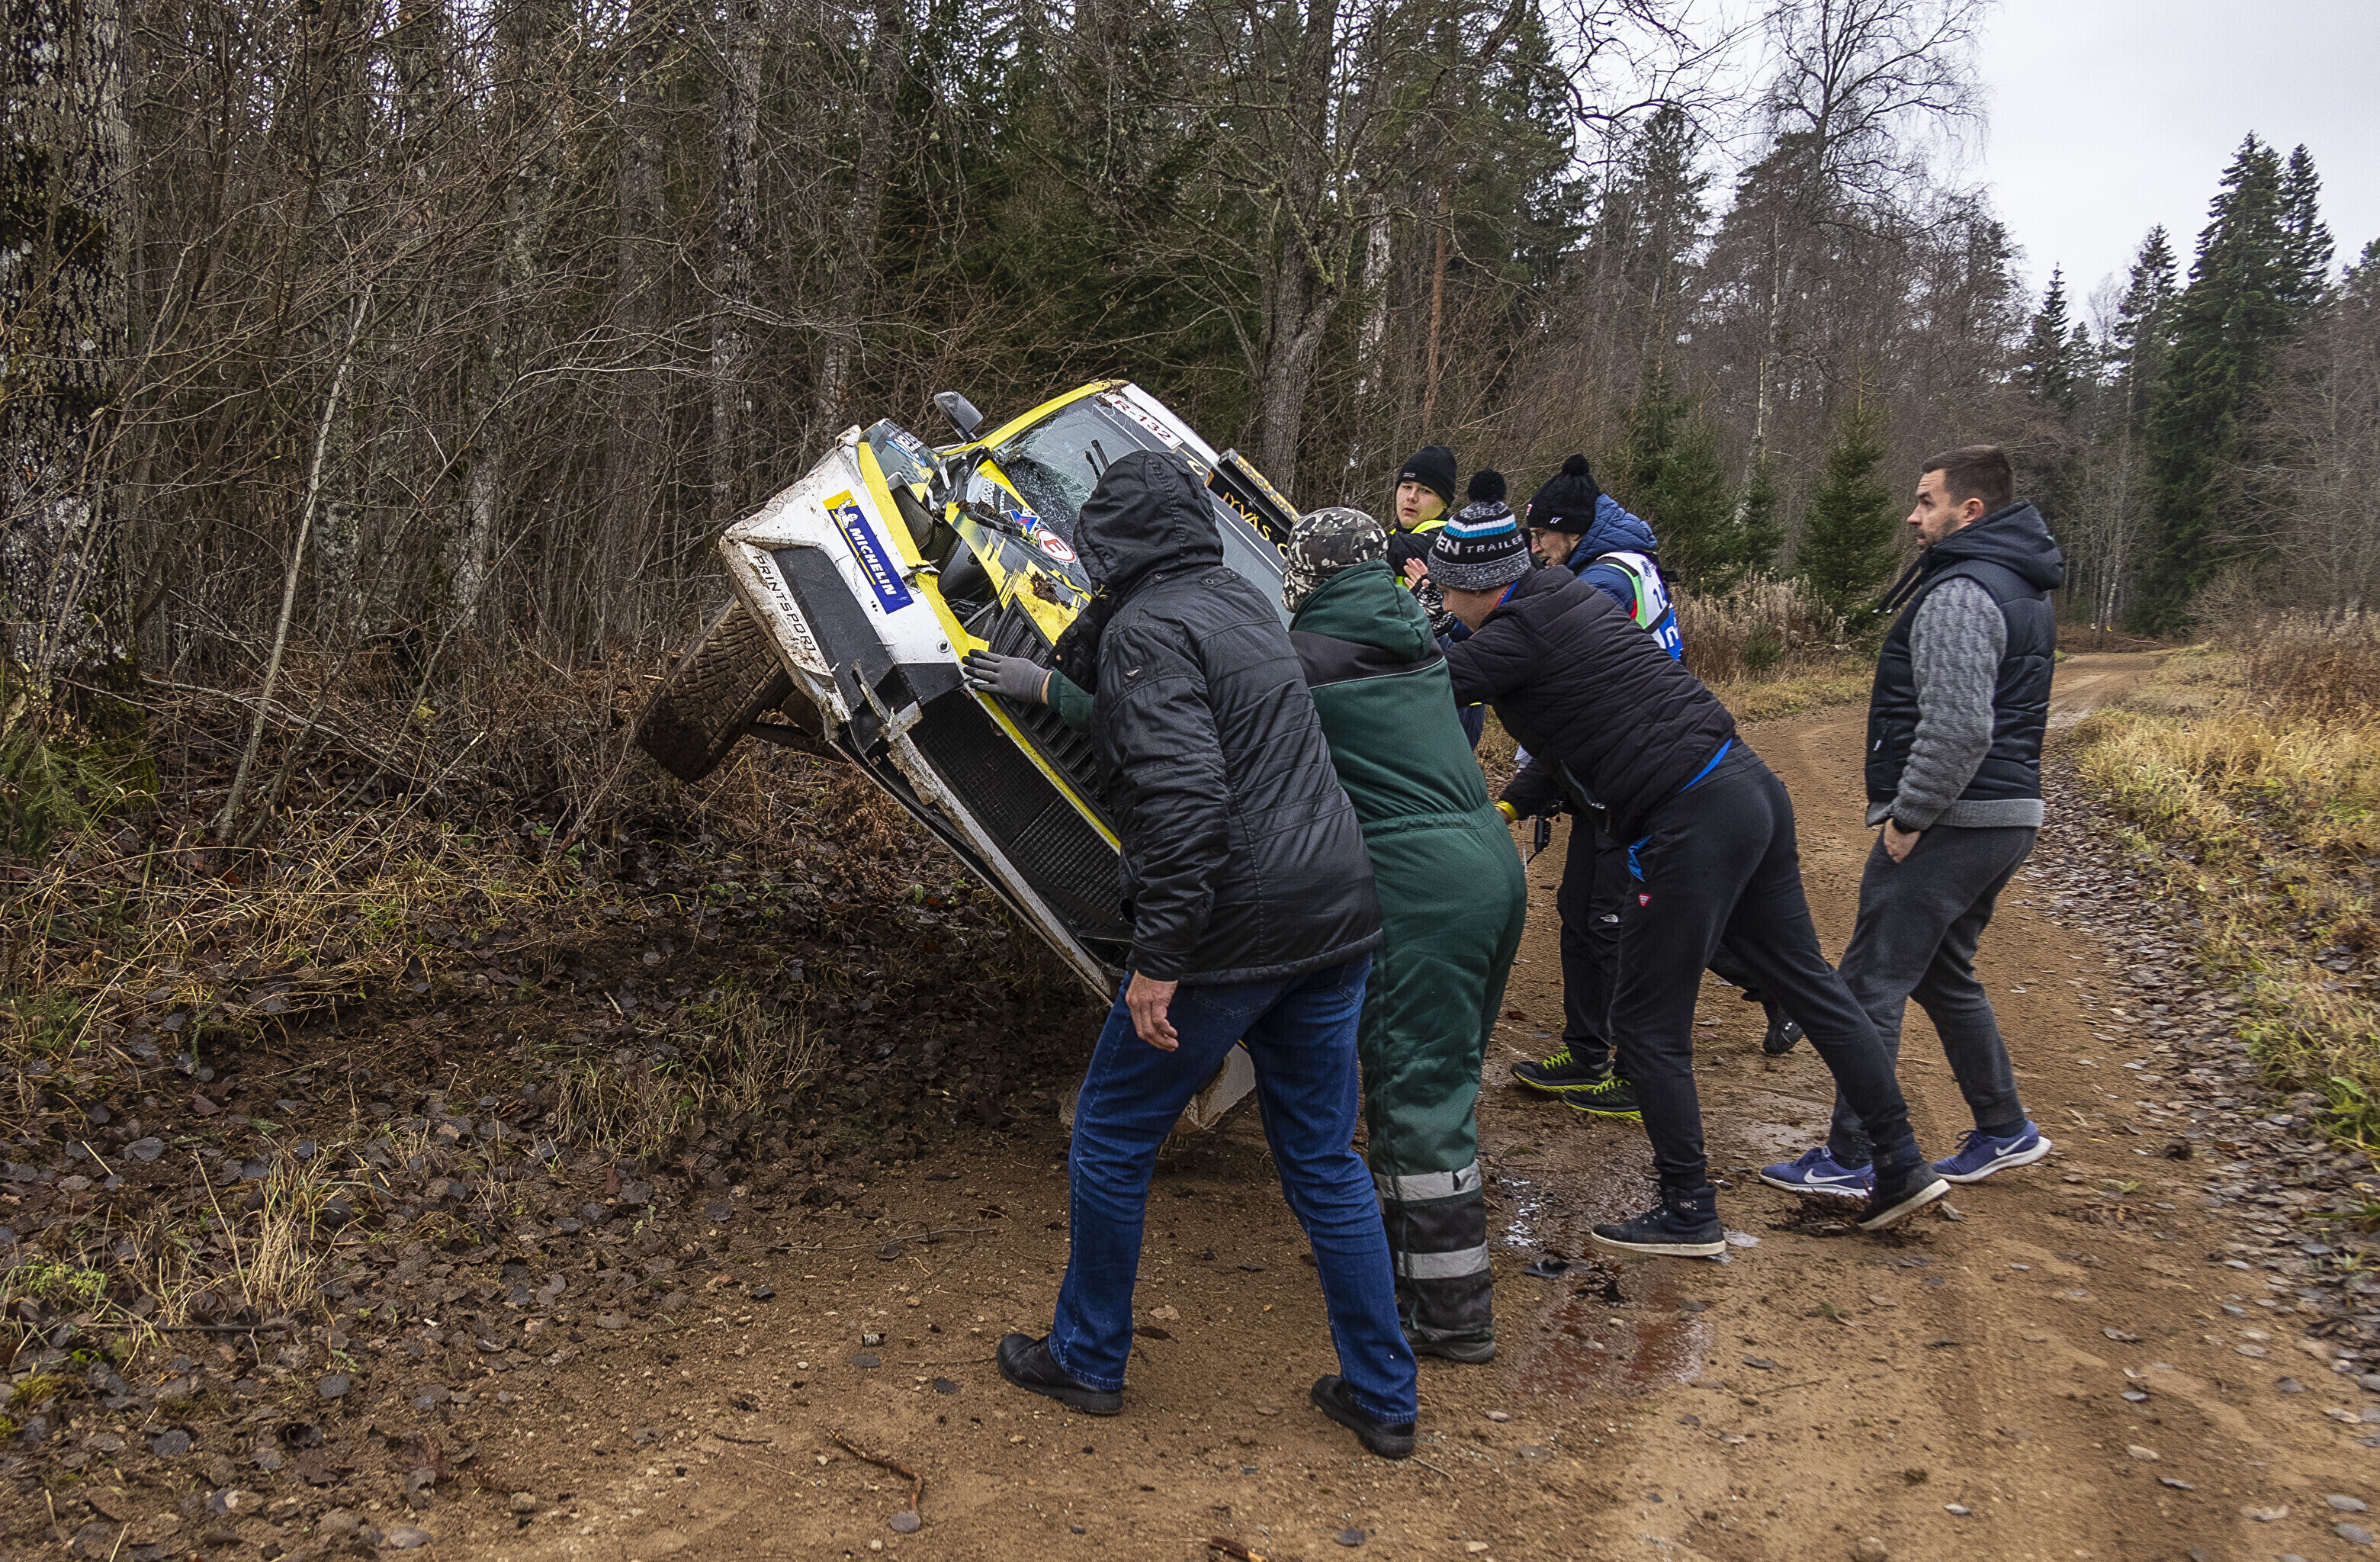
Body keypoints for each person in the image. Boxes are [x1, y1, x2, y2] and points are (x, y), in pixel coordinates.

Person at [960, 449, 1419, 1459]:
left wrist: (1161, 959)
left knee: (1112, 1133)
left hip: (1231, 932)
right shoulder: (1241, 603)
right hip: (1333, 913)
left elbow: (1184, 798)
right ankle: (1384, 1393)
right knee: (1323, 1160)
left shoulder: (1145, 632)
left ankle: (1087, 1357)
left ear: (1110, 544)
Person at [1427, 473, 1951, 1252]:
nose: (1441, 603)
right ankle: (1901, 1162)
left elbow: (1413, 686)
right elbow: (1571, 736)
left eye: (1444, 589)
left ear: (1477, 586)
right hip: (1746, 787)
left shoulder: (1512, 635)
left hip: (1686, 819)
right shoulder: (1564, 597)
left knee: (1646, 1023)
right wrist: (1510, 805)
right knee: (1810, 981)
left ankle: (1687, 1207)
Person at [1762, 445, 2060, 1199]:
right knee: (1939, 971)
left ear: (1970, 510)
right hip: (2007, 814)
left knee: (1870, 980)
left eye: (1926, 501)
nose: (1911, 515)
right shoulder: (2018, 584)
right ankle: (2003, 1127)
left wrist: (1911, 814)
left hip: (1955, 816)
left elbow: (1958, 728)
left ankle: (1855, 1155)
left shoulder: (1962, 591)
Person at [1282, 507, 1527, 1364]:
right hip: (1487, 867)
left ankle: (1451, 1314)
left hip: (1421, 889)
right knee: (1442, 1075)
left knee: (1417, 1093)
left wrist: (1052, 691)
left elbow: (1192, 718)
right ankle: (1415, 1265)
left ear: (1302, 577)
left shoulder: (1305, 660)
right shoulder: (1412, 635)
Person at [1503, 458, 1803, 1124]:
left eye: (1541, 535)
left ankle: (1649, 1061)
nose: (1534, 547)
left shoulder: (1606, 579)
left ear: (1572, 530)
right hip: (1609, 767)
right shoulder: (1612, 565)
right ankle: (1587, 1052)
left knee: (1632, 919)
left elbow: (1557, 661)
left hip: (1643, 774)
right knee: (1587, 909)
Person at [1382, 445, 1489, 750]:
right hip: (1417, 685)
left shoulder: (1447, 542)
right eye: (1406, 486)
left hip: (1453, 696)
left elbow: (1394, 552)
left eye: (1425, 491)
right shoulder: (1401, 535)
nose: (1411, 497)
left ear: (1443, 502)